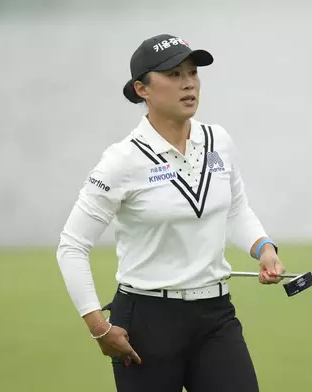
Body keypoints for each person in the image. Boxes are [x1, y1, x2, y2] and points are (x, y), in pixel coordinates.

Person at [56, 33, 287, 392]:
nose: (188, 83)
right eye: (174, 75)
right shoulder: (121, 161)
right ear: (142, 89)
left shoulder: (218, 141)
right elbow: (72, 246)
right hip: (146, 324)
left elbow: (236, 209)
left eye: (193, 73)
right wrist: (99, 327)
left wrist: (264, 248)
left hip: (215, 315)